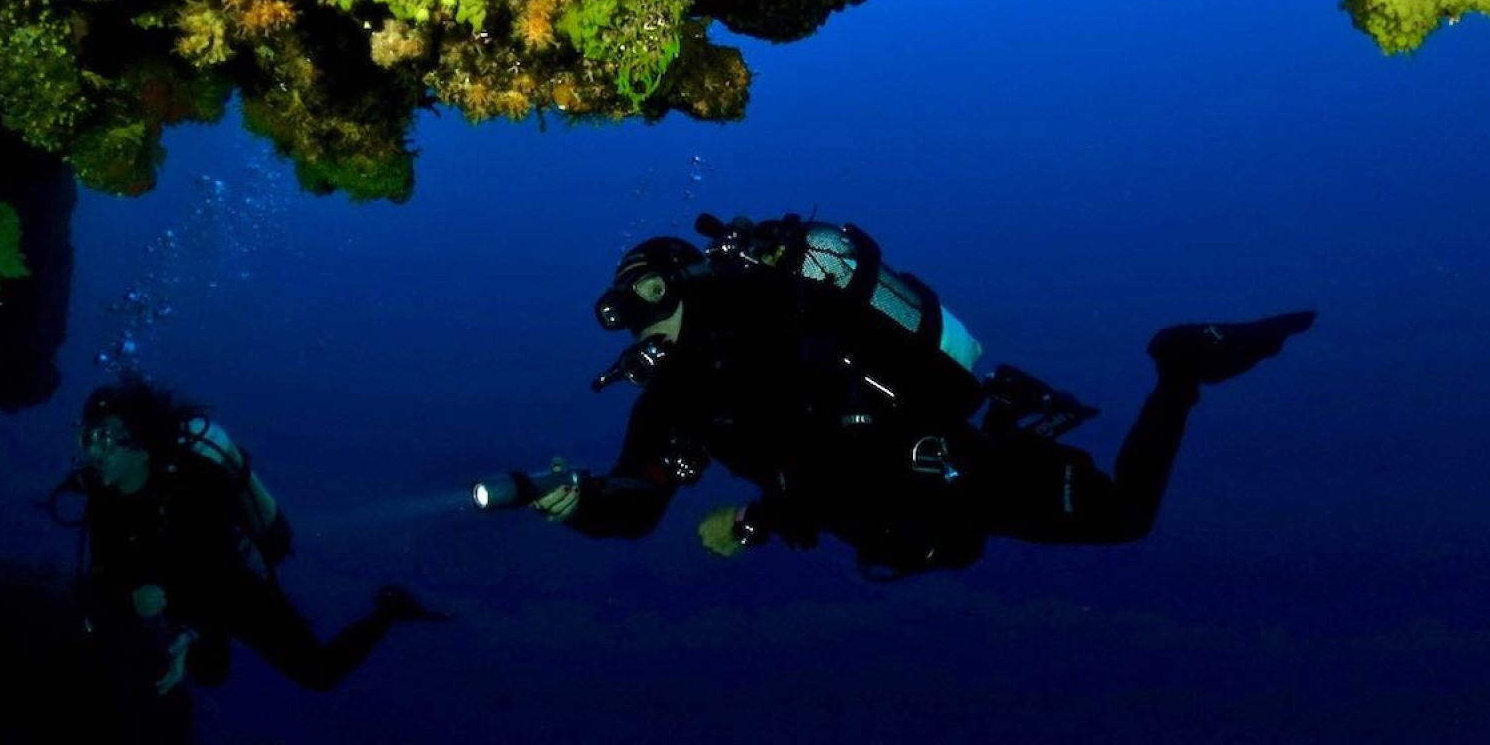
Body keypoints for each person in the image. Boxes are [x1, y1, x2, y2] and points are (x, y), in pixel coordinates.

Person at [534, 214, 1315, 577]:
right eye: (620, 303)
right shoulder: (668, 399)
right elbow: (639, 503)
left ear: (686, 276)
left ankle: (1179, 367)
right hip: (906, 511)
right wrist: (581, 505)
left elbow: (841, 444)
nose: (629, 315)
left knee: (1122, 518)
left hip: (936, 467)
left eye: (641, 289)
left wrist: (756, 518)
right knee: (1114, 518)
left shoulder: (767, 313)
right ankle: (1173, 373)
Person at [64, 374, 445, 693]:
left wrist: (191, 631)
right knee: (210, 674)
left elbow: (216, 571)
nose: (93, 452)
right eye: (87, 438)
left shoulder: (197, 481)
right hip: (179, 587)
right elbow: (102, 575)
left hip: (235, 580)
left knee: (318, 674)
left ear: (143, 445)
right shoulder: (104, 495)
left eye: (106, 440)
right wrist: (133, 600)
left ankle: (389, 610)